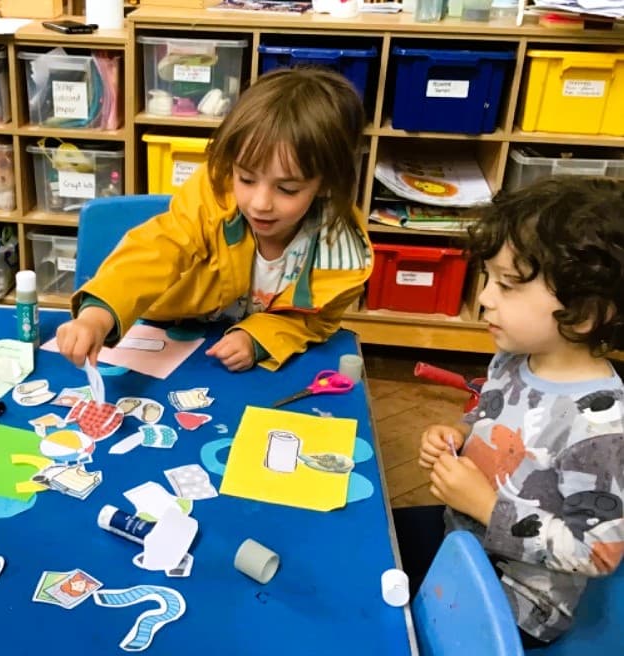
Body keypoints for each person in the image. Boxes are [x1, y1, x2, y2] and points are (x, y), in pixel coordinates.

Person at [400, 176, 624, 647]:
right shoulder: (513, 358)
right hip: (459, 537)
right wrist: (459, 434)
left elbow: (596, 552)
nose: (484, 297)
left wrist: (486, 507)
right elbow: (490, 413)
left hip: (518, 601)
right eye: (489, 278)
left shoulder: (599, 428)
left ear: (585, 313)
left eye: (507, 285)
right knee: (374, 550)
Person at [56, 67, 372, 372]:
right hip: (169, 328)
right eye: (246, 179)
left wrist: (258, 338)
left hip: (239, 360)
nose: (260, 204)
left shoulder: (341, 259)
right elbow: (160, 247)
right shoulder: (214, 195)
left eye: (287, 189)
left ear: (326, 185)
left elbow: (313, 322)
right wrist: (97, 316)